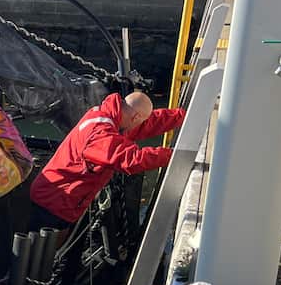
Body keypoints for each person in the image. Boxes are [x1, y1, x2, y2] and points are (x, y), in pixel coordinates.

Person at [29, 91, 185, 232]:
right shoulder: (99, 133)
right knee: (47, 251)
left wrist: (182, 116)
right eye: (140, 120)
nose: (140, 125)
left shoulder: (112, 116)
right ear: (135, 117)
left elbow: (149, 123)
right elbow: (130, 159)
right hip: (56, 201)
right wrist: (175, 156)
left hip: (65, 198)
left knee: (55, 248)